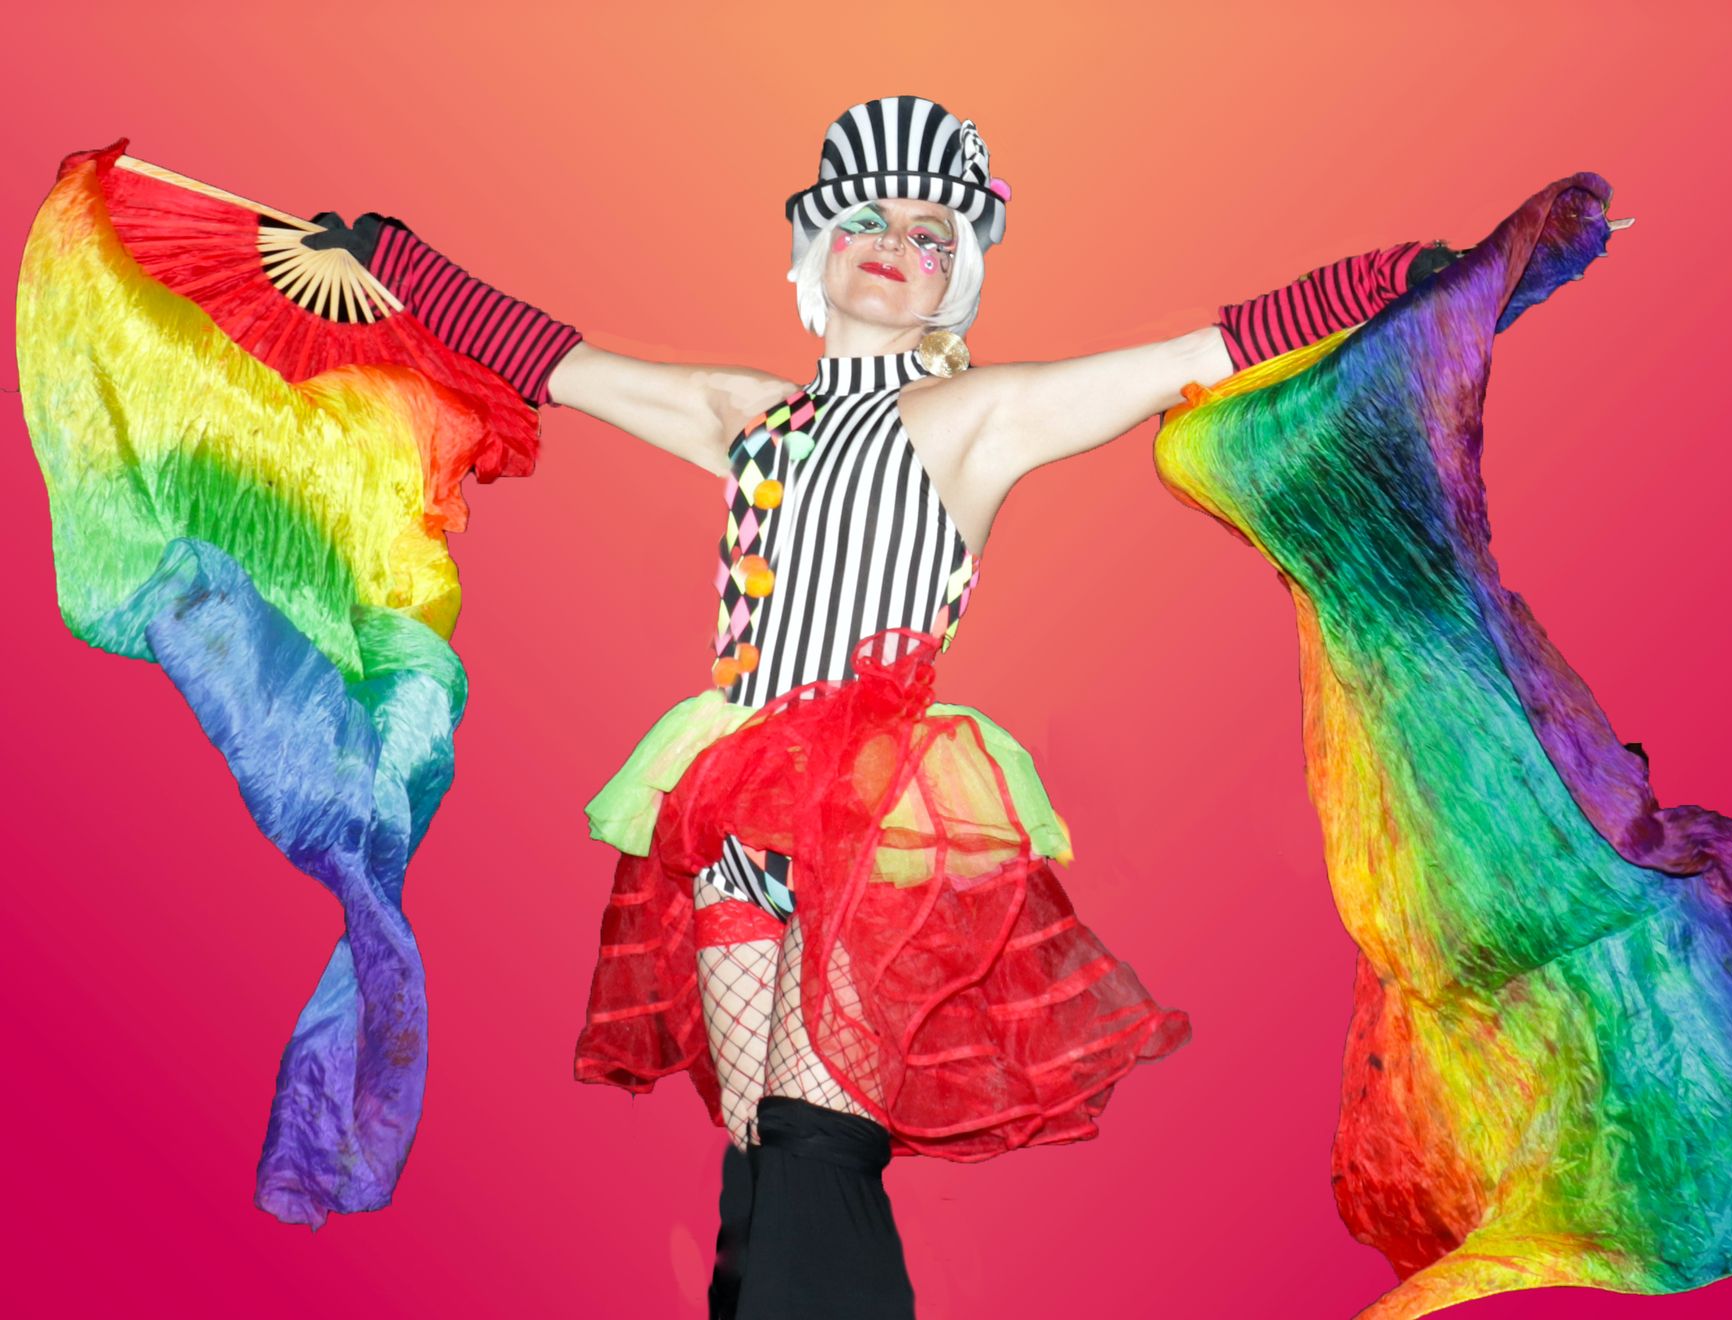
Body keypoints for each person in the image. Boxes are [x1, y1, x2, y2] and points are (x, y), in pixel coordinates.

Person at [298, 95, 1456, 1316]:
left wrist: (1405, 276)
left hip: (877, 811)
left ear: (958, 280)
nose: (899, 240)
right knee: (756, 1149)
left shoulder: (975, 418)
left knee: (814, 1141)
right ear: (814, 239)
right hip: (728, 803)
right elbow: (552, 359)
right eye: (869, 215)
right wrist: (389, 257)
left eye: (936, 232)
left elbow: (1202, 353)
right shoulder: (749, 416)